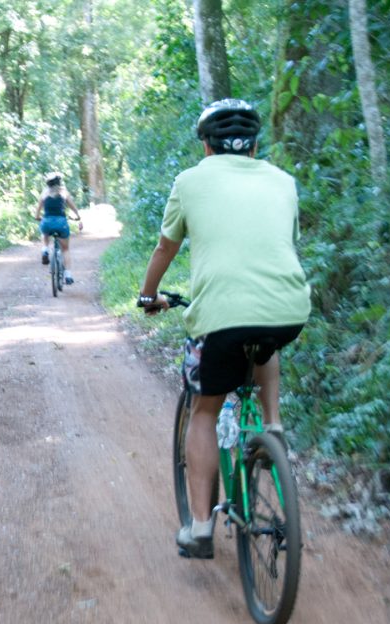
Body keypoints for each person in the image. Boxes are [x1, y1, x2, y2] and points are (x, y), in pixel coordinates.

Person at [136, 99, 310, 559]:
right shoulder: (282, 180)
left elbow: (165, 246)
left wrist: (146, 295)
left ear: (207, 146)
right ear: (254, 145)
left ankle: (198, 527)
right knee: (265, 336)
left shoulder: (190, 181)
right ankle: (272, 425)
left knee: (205, 412)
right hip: (289, 308)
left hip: (221, 318)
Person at [35, 172, 83, 284]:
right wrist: (78, 216)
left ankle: (45, 249)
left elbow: (37, 212)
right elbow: (73, 207)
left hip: (47, 222)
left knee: (45, 231)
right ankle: (68, 275)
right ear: (59, 182)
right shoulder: (64, 192)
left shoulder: (44, 193)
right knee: (65, 249)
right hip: (61, 223)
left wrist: (38, 217)